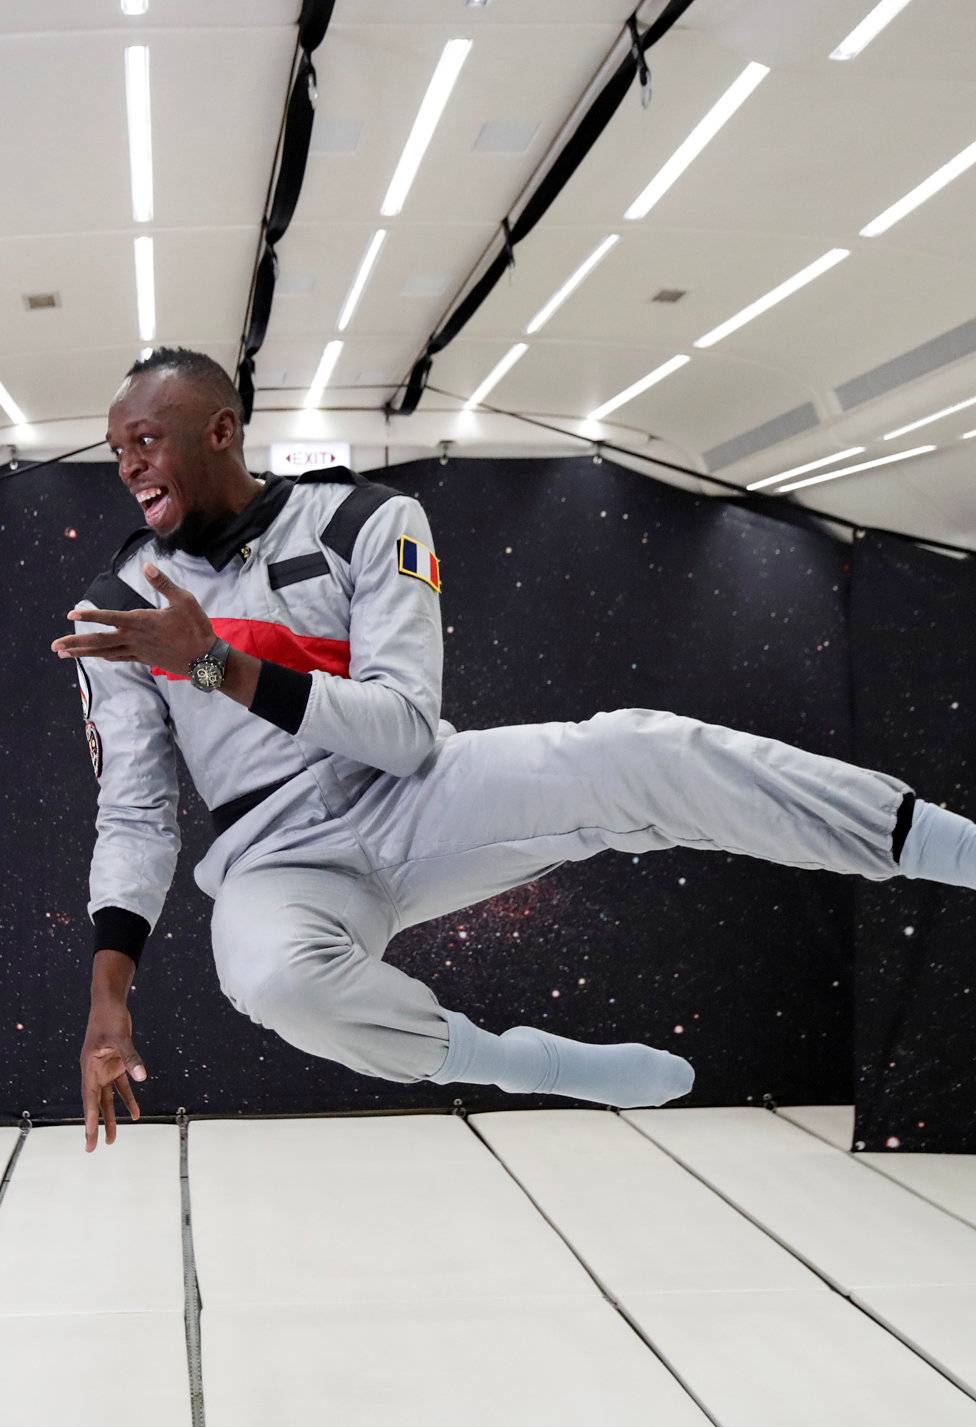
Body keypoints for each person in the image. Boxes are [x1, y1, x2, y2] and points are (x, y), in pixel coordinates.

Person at [54, 347, 976, 1151]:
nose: (130, 465)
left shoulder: (366, 521)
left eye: (146, 439)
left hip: (411, 794)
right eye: (117, 450)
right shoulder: (118, 606)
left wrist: (215, 661)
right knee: (271, 979)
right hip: (274, 854)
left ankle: (941, 843)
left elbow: (405, 729)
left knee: (634, 750)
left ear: (220, 430)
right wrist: (109, 992)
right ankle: (516, 1061)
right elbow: (134, 809)